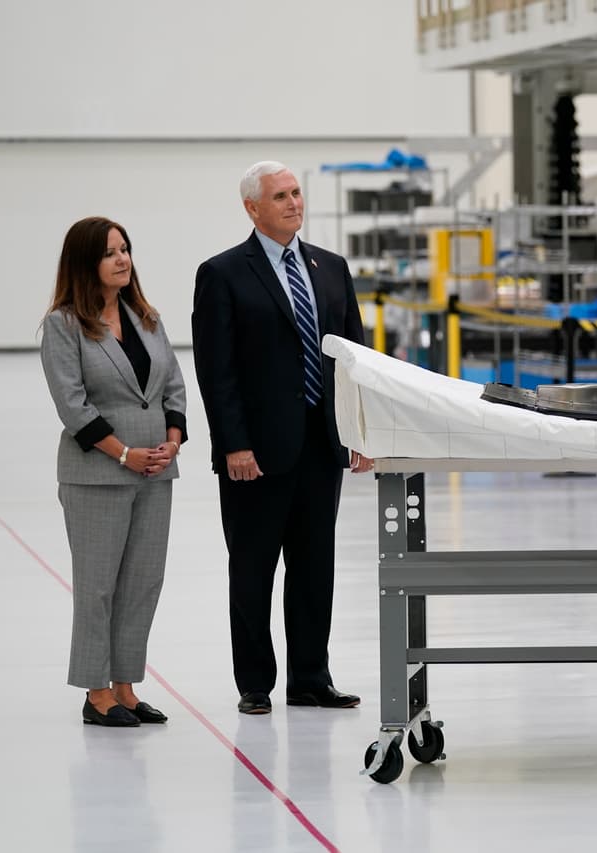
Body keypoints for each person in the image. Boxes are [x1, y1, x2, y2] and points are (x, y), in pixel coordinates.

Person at [193, 161, 372, 715]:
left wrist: (360, 431)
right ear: (252, 208)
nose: (294, 203)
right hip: (256, 452)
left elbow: (354, 359)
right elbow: (216, 370)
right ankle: (255, 683)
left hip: (321, 446)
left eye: (296, 193)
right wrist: (233, 444)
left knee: (315, 568)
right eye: (280, 196)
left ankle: (311, 678)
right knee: (252, 569)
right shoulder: (223, 273)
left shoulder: (331, 268)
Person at [40, 216, 187, 727]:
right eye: (109, 253)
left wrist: (172, 442)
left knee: (143, 583)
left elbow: (173, 386)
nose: (122, 259)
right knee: (98, 587)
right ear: (85, 263)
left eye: (125, 249)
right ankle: (96, 692)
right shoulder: (63, 325)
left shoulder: (146, 317)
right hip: (97, 475)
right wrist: (125, 454)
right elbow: (72, 405)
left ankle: (125, 686)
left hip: (155, 473)